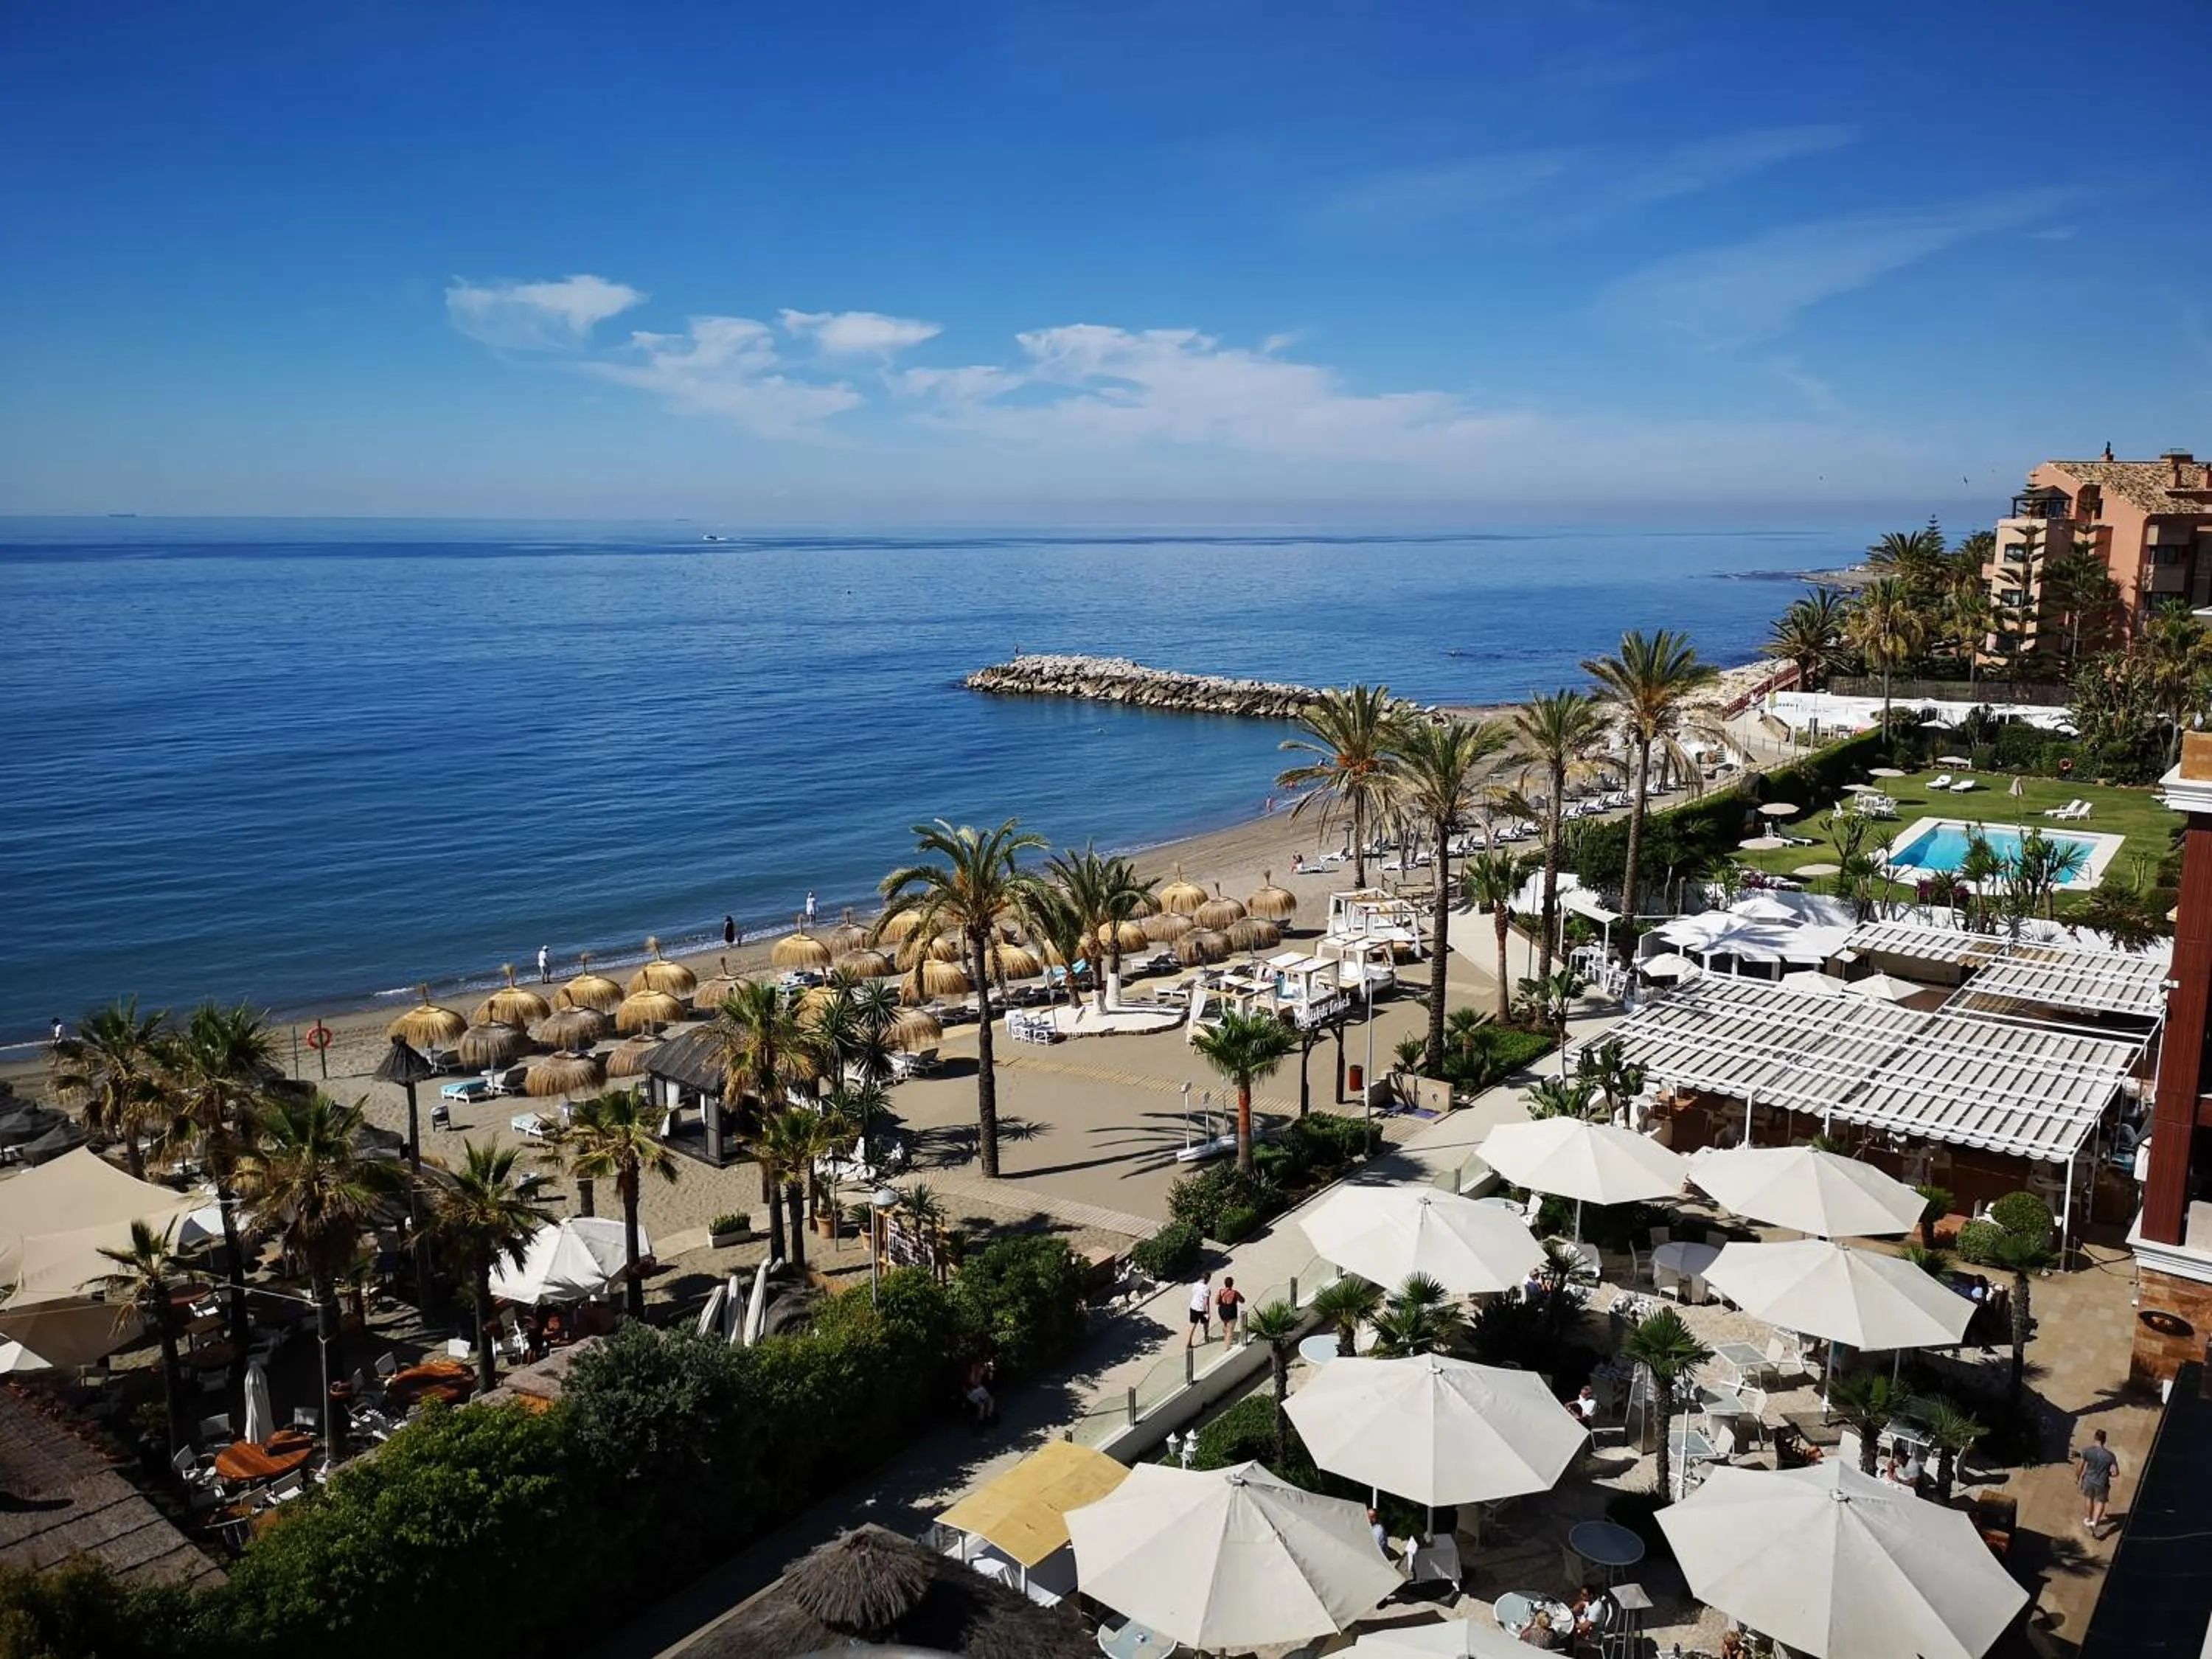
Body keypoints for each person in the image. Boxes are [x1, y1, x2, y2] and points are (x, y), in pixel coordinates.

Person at [2073, 1427, 2119, 1536]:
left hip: (2089, 1480)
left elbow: (2080, 1466)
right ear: (2104, 1440)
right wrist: (2108, 1475)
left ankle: (2089, 1519)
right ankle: (2095, 1522)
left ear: (2095, 1438)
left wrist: (2077, 1478)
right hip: (2102, 1483)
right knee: (2101, 1502)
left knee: (2089, 1499)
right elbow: (2116, 1473)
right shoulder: (2110, 1456)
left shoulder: (2087, 1451)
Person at [964, 1357, 997, 1426]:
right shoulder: (970, 1371)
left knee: (990, 1400)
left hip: (978, 1388)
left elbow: (988, 1375)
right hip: (970, 1391)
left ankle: (988, 1416)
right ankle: (980, 1421)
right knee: (981, 1405)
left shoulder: (979, 1368)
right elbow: (973, 1383)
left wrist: (989, 1370)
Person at [1214, 1275, 1245, 1346]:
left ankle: (1226, 1337)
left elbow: (1216, 1302)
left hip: (1222, 1312)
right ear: (1232, 1284)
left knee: (1225, 1325)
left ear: (1225, 1283)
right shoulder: (1235, 1293)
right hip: (1231, 1312)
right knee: (1230, 1329)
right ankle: (1227, 1346)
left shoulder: (1221, 1291)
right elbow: (1242, 1301)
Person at [1185, 1273, 1212, 1348]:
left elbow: (1194, 1293)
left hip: (1193, 1307)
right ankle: (1206, 1337)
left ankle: (1189, 1342)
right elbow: (1207, 1302)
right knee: (1206, 1323)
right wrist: (1208, 1312)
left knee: (1193, 1325)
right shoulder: (1207, 1288)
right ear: (1208, 1279)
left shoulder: (1196, 1285)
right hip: (1202, 1309)